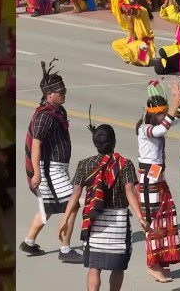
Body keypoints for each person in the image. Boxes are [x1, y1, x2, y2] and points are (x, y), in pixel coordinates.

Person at [58, 121, 148, 291]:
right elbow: (130, 192)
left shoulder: (84, 165)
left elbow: (75, 194)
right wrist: (141, 218)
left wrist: (64, 219)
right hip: (118, 224)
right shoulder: (125, 164)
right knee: (118, 267)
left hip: (94, 222)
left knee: (94, 267)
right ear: (114, 142)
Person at [135, 79, 180, 282]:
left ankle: (160, 260)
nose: (166, 117)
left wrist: (177, 102)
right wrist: (173, 106)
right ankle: (152, 264)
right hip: (149, 180)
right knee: (152, 220)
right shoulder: (145, 128)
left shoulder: (158, 122)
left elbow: (173, 121)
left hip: (157, 177)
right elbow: (162, 129)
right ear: (154, 114)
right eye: (162, 113)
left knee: (165, 217)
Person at [22, 59, 73, 257]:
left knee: (48, 207)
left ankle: (29, 241)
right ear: (49, 94)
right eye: (61, 92)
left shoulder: (58, 111)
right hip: (49, 169)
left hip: (57, 168)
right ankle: (65, 249)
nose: (64, 94)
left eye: (64, 90)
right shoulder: (44, 116)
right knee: (72, 204)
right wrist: (36, 174)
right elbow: (36, 145)